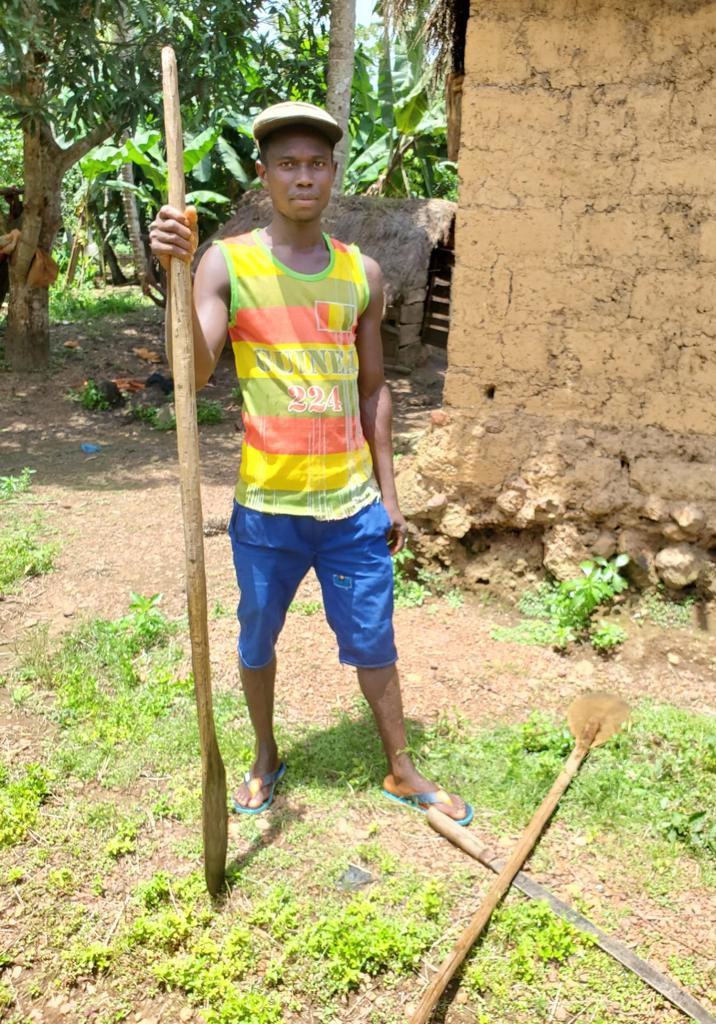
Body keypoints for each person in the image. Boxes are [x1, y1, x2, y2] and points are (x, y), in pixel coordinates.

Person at [149, 101, 471, 825]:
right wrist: (175, 274)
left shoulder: (363, 273)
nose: (304, 177)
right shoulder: (227, 261)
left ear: (333, 175)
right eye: (288, 164)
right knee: (257, 635)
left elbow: (373, 389)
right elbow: (196, 371)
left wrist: (389, 493)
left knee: (373, 639)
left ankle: (400, 766)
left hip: (352, 507)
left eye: (317, 164)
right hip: (267, 506)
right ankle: (265, 754)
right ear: (264, 175)